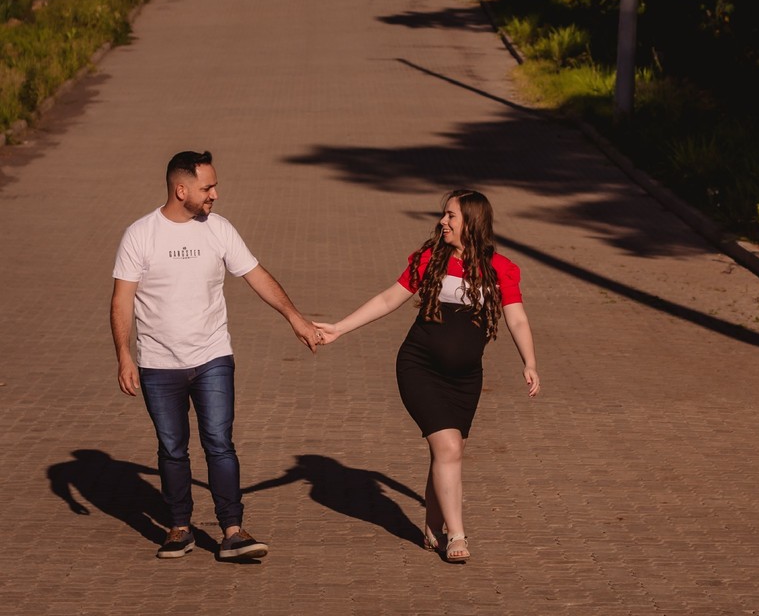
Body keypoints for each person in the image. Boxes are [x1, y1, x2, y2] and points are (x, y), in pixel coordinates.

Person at [110, 150, 320, 561]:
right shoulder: (141, 235)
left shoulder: (219, 230)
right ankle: (179, 528)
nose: (215, 195)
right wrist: (123, 354)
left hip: (212, 357)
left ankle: (233, 531)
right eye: (207, 187)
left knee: (220, 443)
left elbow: (256, 274)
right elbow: (122, 300)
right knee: (172, 449)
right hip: (157, 363)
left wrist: (294, 318)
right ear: (181, 189)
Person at [315, 189, 540, 563]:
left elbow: (516, 317)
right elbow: (389, 299)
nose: (443, 222)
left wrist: (529, 362)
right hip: (419, 367)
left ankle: (433, 527)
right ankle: (456, 535)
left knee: (448, 451)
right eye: (444, 215)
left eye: (451, 216)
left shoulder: (500, 268)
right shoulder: (430, 260)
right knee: (448, 448)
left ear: (472, 222)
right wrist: (340, 328)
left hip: (466, 378)